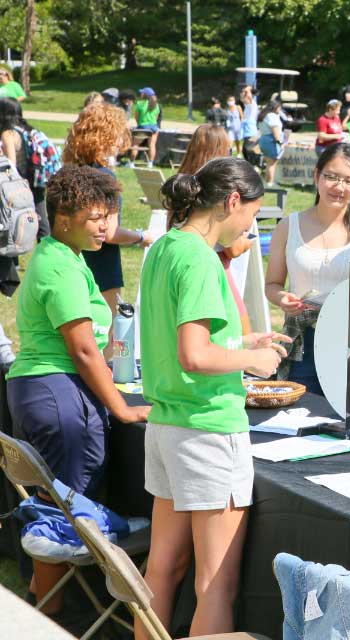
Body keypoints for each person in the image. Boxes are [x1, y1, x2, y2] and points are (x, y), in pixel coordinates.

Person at [136, 158, 288, 638]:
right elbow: (194, 355)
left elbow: (182, 339)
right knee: (215, 585)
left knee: (161, 569)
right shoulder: (201, 257)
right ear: (232, 202)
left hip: (167, 425)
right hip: (206, 428)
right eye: (254, 216)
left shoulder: (166, 245)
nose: (251, 228)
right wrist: (251, 363)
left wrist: (243, 344)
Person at [7, 166, 151, 612]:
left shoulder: (65, 256)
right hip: (56, 393)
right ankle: (49, 617)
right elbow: (85, 350)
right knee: (61, 514)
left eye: (109, 215)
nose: (106, 226)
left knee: (60, 504)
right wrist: (123, 410)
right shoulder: (60, 266)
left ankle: (44, 604)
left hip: (49, 389)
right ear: (64, 217)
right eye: (96, 217)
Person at [264, 143, 350, 395]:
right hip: (302, 343)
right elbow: (272, 285)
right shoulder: (289, 227)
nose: (339, 187)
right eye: (331, 177)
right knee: (299, 417)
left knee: (346, 420)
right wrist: (283, 298)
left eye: (348, 181)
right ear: (316, 176)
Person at [63, 102, 153, 353]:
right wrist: (141, 236)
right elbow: (110, 233)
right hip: (102, 267)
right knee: (107, 339)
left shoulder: (69, 173)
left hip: (72, 261)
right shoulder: (105, 178)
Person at [177, 126, 254, 334]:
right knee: (237, 333)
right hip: (216, 269)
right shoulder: (218, 194)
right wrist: (248, 240)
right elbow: (233, 249)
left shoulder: (181, 184)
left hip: (184, 266)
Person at [0, 97, 51, 238]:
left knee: (13, 218)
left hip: (20, 182)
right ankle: (47, 247)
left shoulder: (8, 133)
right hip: (37, 178)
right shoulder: (27, 129)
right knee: (41, 216)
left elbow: (10, 163)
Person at [257, 99, 286, 186]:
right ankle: (270, 183)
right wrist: (280, 143)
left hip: (264, 140)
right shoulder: (272, 116)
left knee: (269, 163)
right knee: (272, 164)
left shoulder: (263, 115)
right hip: (271, 141)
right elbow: (275, 131)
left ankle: (267, 182)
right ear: (276, 107)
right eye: (279, 108)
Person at [133, 87, 162, 168]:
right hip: (154, 128)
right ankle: (150, 163)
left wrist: (140, 124)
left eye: (142, 93)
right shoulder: (156, 105)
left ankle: (131, 162)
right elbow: (156, 118)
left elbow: (136, 117)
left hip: (143, 127)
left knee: (135, 144)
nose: (140, 94)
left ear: (145, 95)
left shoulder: (139, 104)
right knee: (152, 145)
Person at [240, 85, 259, 166]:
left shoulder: (253, 104)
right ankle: (251, 165)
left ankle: (254, 165)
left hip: (251, 132)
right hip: (246, 132)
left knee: (248, 150)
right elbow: (242, 99)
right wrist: (244, 92)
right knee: (245, 150)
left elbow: (249, 96)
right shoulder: (247, 106)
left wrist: (247, 89)